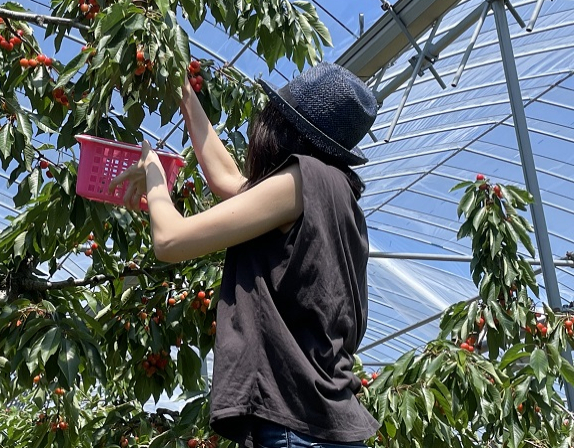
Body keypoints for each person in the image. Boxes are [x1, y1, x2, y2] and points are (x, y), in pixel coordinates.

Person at [108, 62, 380, 448]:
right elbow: (228, 180)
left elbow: (170, 240)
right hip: (325, 422)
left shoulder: (301, 179)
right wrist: (184, 92)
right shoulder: (334, 194)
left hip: (297, 426)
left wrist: (153, 172)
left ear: (281, 128)